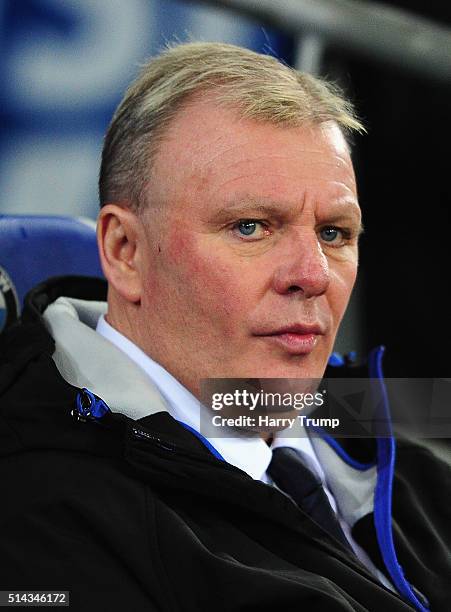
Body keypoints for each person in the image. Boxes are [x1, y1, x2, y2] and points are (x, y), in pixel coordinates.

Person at [0, 42, 449, 611]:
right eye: (251, 227)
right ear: (125, 251)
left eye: (334, 233)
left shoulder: (380, 425)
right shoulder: (42, 508)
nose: (312, 275)